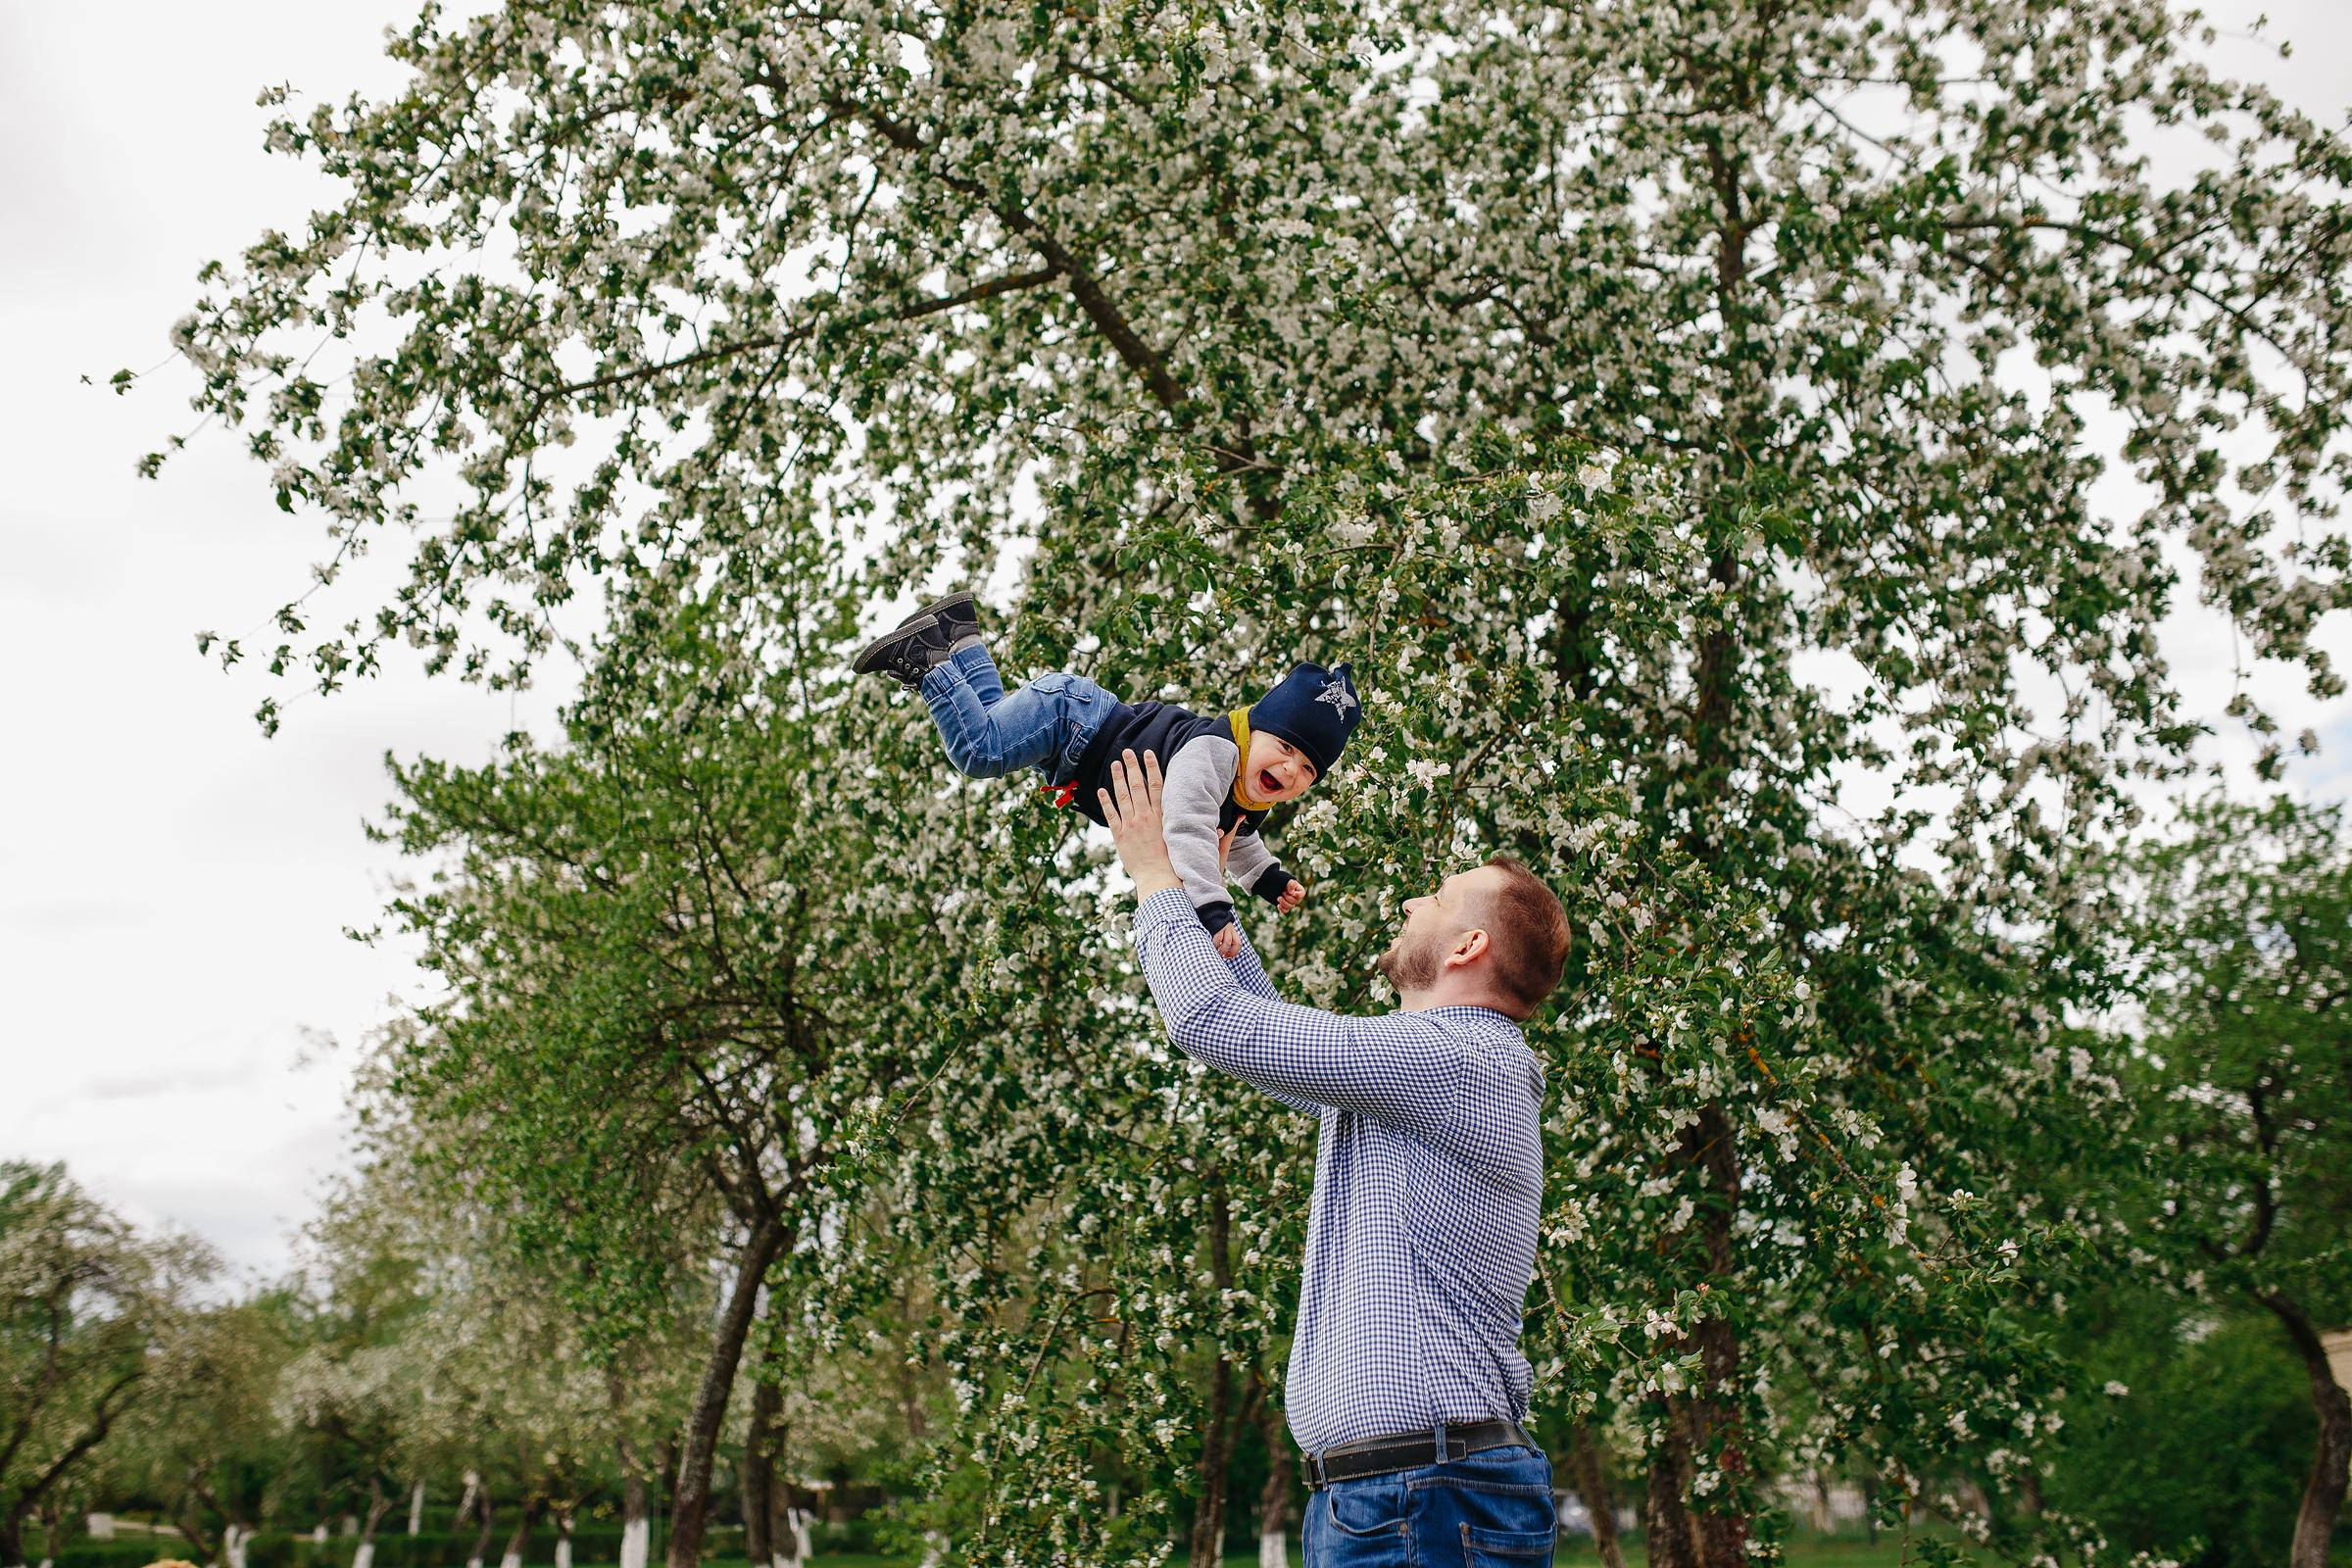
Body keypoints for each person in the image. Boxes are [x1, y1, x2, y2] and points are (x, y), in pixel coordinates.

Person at [1093, 747, 1572, 1566]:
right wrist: (1205, 896)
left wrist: (1151, 874)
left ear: (1467, 947)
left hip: (1423, 1496)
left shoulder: (1459, 1060)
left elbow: (1214, 1024)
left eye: (1440, 898)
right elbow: (1269, 1035)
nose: (1415, 899)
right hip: (1402, 1496)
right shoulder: (1428, 1069)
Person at [855, 592, 1360, 955]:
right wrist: (1213, 907)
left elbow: (1235, 837)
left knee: (987, 717)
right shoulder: (1215, 753)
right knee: (978, 750)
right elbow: (1187, 826)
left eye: (1308, 768)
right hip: (1074, 723)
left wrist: (1268, 879)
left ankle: (959, 632)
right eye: (1286, 747)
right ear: (1256, 728)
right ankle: (927, 660)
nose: (1291, 768)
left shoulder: (1247, 795)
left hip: (1073, 735)